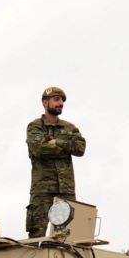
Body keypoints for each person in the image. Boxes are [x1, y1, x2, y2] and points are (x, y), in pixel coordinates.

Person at [26, 86, 86, 237]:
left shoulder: (70, 127)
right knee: (37, 235)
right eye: (56, 99)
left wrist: (56, 142)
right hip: (42, 190)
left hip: (66, 191)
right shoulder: (35, 126)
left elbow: (80, 148)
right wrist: (66, 145)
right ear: (45, 103)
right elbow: (38, 149)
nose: (61, 103)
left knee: (70, 236)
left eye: (62, 100)